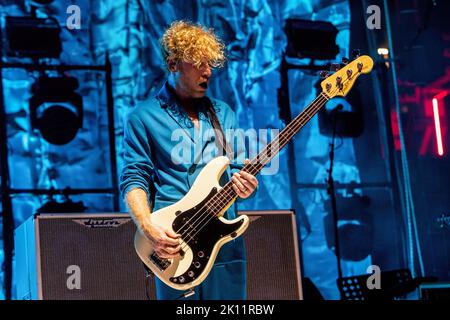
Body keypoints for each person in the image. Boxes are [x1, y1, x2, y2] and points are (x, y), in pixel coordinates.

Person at [119, 20, 258, 300]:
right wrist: (148, 230)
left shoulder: (225, 114)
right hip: (173, 245)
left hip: (224, 246)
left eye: (210, 63)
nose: (208, 71)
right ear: (173, 65)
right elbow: (134, 178)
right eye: (198, 63)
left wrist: (247, 186)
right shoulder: (143, 117)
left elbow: (237, 174)